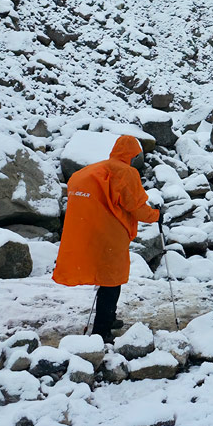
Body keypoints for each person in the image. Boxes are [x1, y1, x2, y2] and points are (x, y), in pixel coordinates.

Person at [53, 135, 159, 343]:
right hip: (112, 234)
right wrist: (155, 215)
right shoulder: (126, 172)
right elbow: (135, 207)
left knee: (106, 278)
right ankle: (102, 330)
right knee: (112, 279)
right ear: (132, 154)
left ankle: (109, 317)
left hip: (90, 229)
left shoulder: (92, 169)